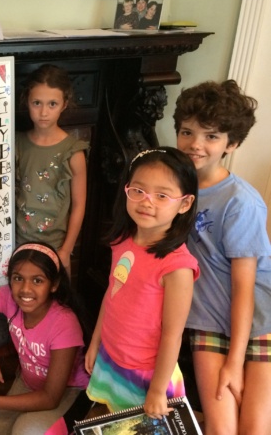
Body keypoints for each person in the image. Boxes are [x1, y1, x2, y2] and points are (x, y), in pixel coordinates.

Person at [175, 80, 271, 434]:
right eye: (187, 132)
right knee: (220, 428)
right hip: (208, 321)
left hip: (260, 323)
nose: (196, 144)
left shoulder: (240, 201)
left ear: (231, 144)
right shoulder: (171, 188)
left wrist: (235, 361)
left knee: (256, 429)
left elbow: (246, 289)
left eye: (211, 136)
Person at [85, 148, 200, 419]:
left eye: (162, 195)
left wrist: (158, 391)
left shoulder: (177, 266)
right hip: (113, 357)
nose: (147, 202)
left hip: (149, 374)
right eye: (138, 190)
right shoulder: (122, 240)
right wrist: (95, 342)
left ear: (184, 203)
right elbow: (112, 295)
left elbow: (173, 334)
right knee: (116, 419)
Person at [0, 242, 90, 434]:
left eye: (37, 280)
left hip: (68, 392)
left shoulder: (64, 323)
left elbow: (51, 398)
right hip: (29, 383)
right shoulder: (8, 296)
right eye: (18, 278)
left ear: (54, 285)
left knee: (25, 431)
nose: (25, 289)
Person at [15, 64, 88, 275]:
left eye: (52, 104)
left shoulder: (73, 152)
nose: (44, 112)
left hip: (55, 246)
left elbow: (79, 205)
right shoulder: (17, 143)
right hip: (20, 243)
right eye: (37, 103)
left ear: (64, 104)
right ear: (27, 101)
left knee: (57, 303)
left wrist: (66, 250)